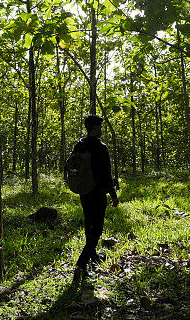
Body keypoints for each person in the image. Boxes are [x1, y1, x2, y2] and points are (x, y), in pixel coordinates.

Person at [72, 114, 119, 284]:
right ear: (93, 128)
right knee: (97, 229)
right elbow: (107, 174)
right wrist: (113, 195)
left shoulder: (79, 145)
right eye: (99, 126)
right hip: (98, 192)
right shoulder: (101, 147)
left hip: (84, 191)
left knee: (88, 224)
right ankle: (81, 264)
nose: (101, 129)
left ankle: (93, 255)